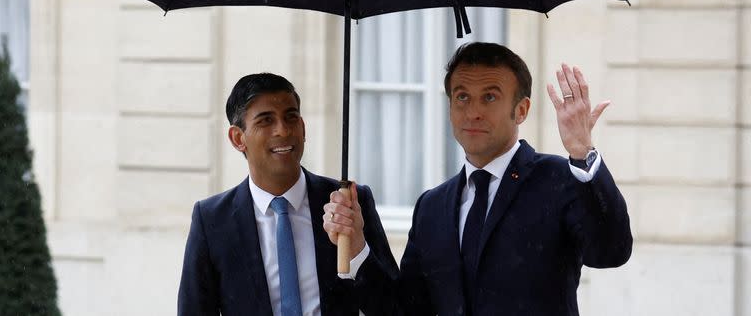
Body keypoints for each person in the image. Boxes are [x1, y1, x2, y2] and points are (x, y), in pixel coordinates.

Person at [324, 42, 632, 316]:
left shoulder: (560, 179)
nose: (473, 112)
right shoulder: (432, 206)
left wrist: (583, 155)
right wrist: (358, 248)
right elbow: (404, 309)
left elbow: (611, 251)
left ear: (521, 110)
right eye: (462, 97)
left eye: (489, 97)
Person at [177, 73, 398, 316]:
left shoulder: (348, 203)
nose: (282, 130)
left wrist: (357, 250)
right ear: (238, 138)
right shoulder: (212, 221)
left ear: (302, 128)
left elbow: (397, 310)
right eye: (265, 120)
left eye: (291, 117)